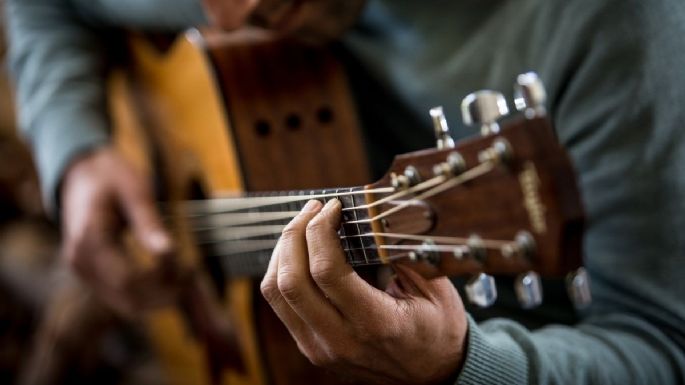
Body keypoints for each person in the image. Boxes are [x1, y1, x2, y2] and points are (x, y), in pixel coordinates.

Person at [6, 0, 685, 384]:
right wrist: (77, 154)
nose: (227, 13)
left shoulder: (615, 25)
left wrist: (460, 363)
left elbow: (662, 347)